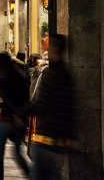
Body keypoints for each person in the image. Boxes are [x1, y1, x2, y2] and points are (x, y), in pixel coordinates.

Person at [29, 34, 76, 179]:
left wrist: (21, 111)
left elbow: (41, 103)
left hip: (49, 138)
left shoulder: (51, 74)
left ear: (55, 49)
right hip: (52, 139)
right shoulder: (62, 73)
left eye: (48, 47)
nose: (46, 50)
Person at [0, 52, 30, 180]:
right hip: (20, 122)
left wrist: (15, 114)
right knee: (18, 154)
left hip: (6, 120)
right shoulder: (19, 76)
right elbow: (26, 98)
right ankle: (31, 175)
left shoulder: (1, 78)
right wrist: (22, 116)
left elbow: (8, 100)